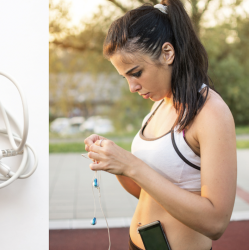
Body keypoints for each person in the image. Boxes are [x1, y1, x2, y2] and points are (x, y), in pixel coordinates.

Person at [83, 0, 237, 249]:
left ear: (167, 53)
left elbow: (216, 222)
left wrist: (132, 166)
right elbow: (148, 192)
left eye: (136, 73)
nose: (131, 87)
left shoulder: (211, 113)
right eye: (124, 77)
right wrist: (115, 161)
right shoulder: (159, 104)